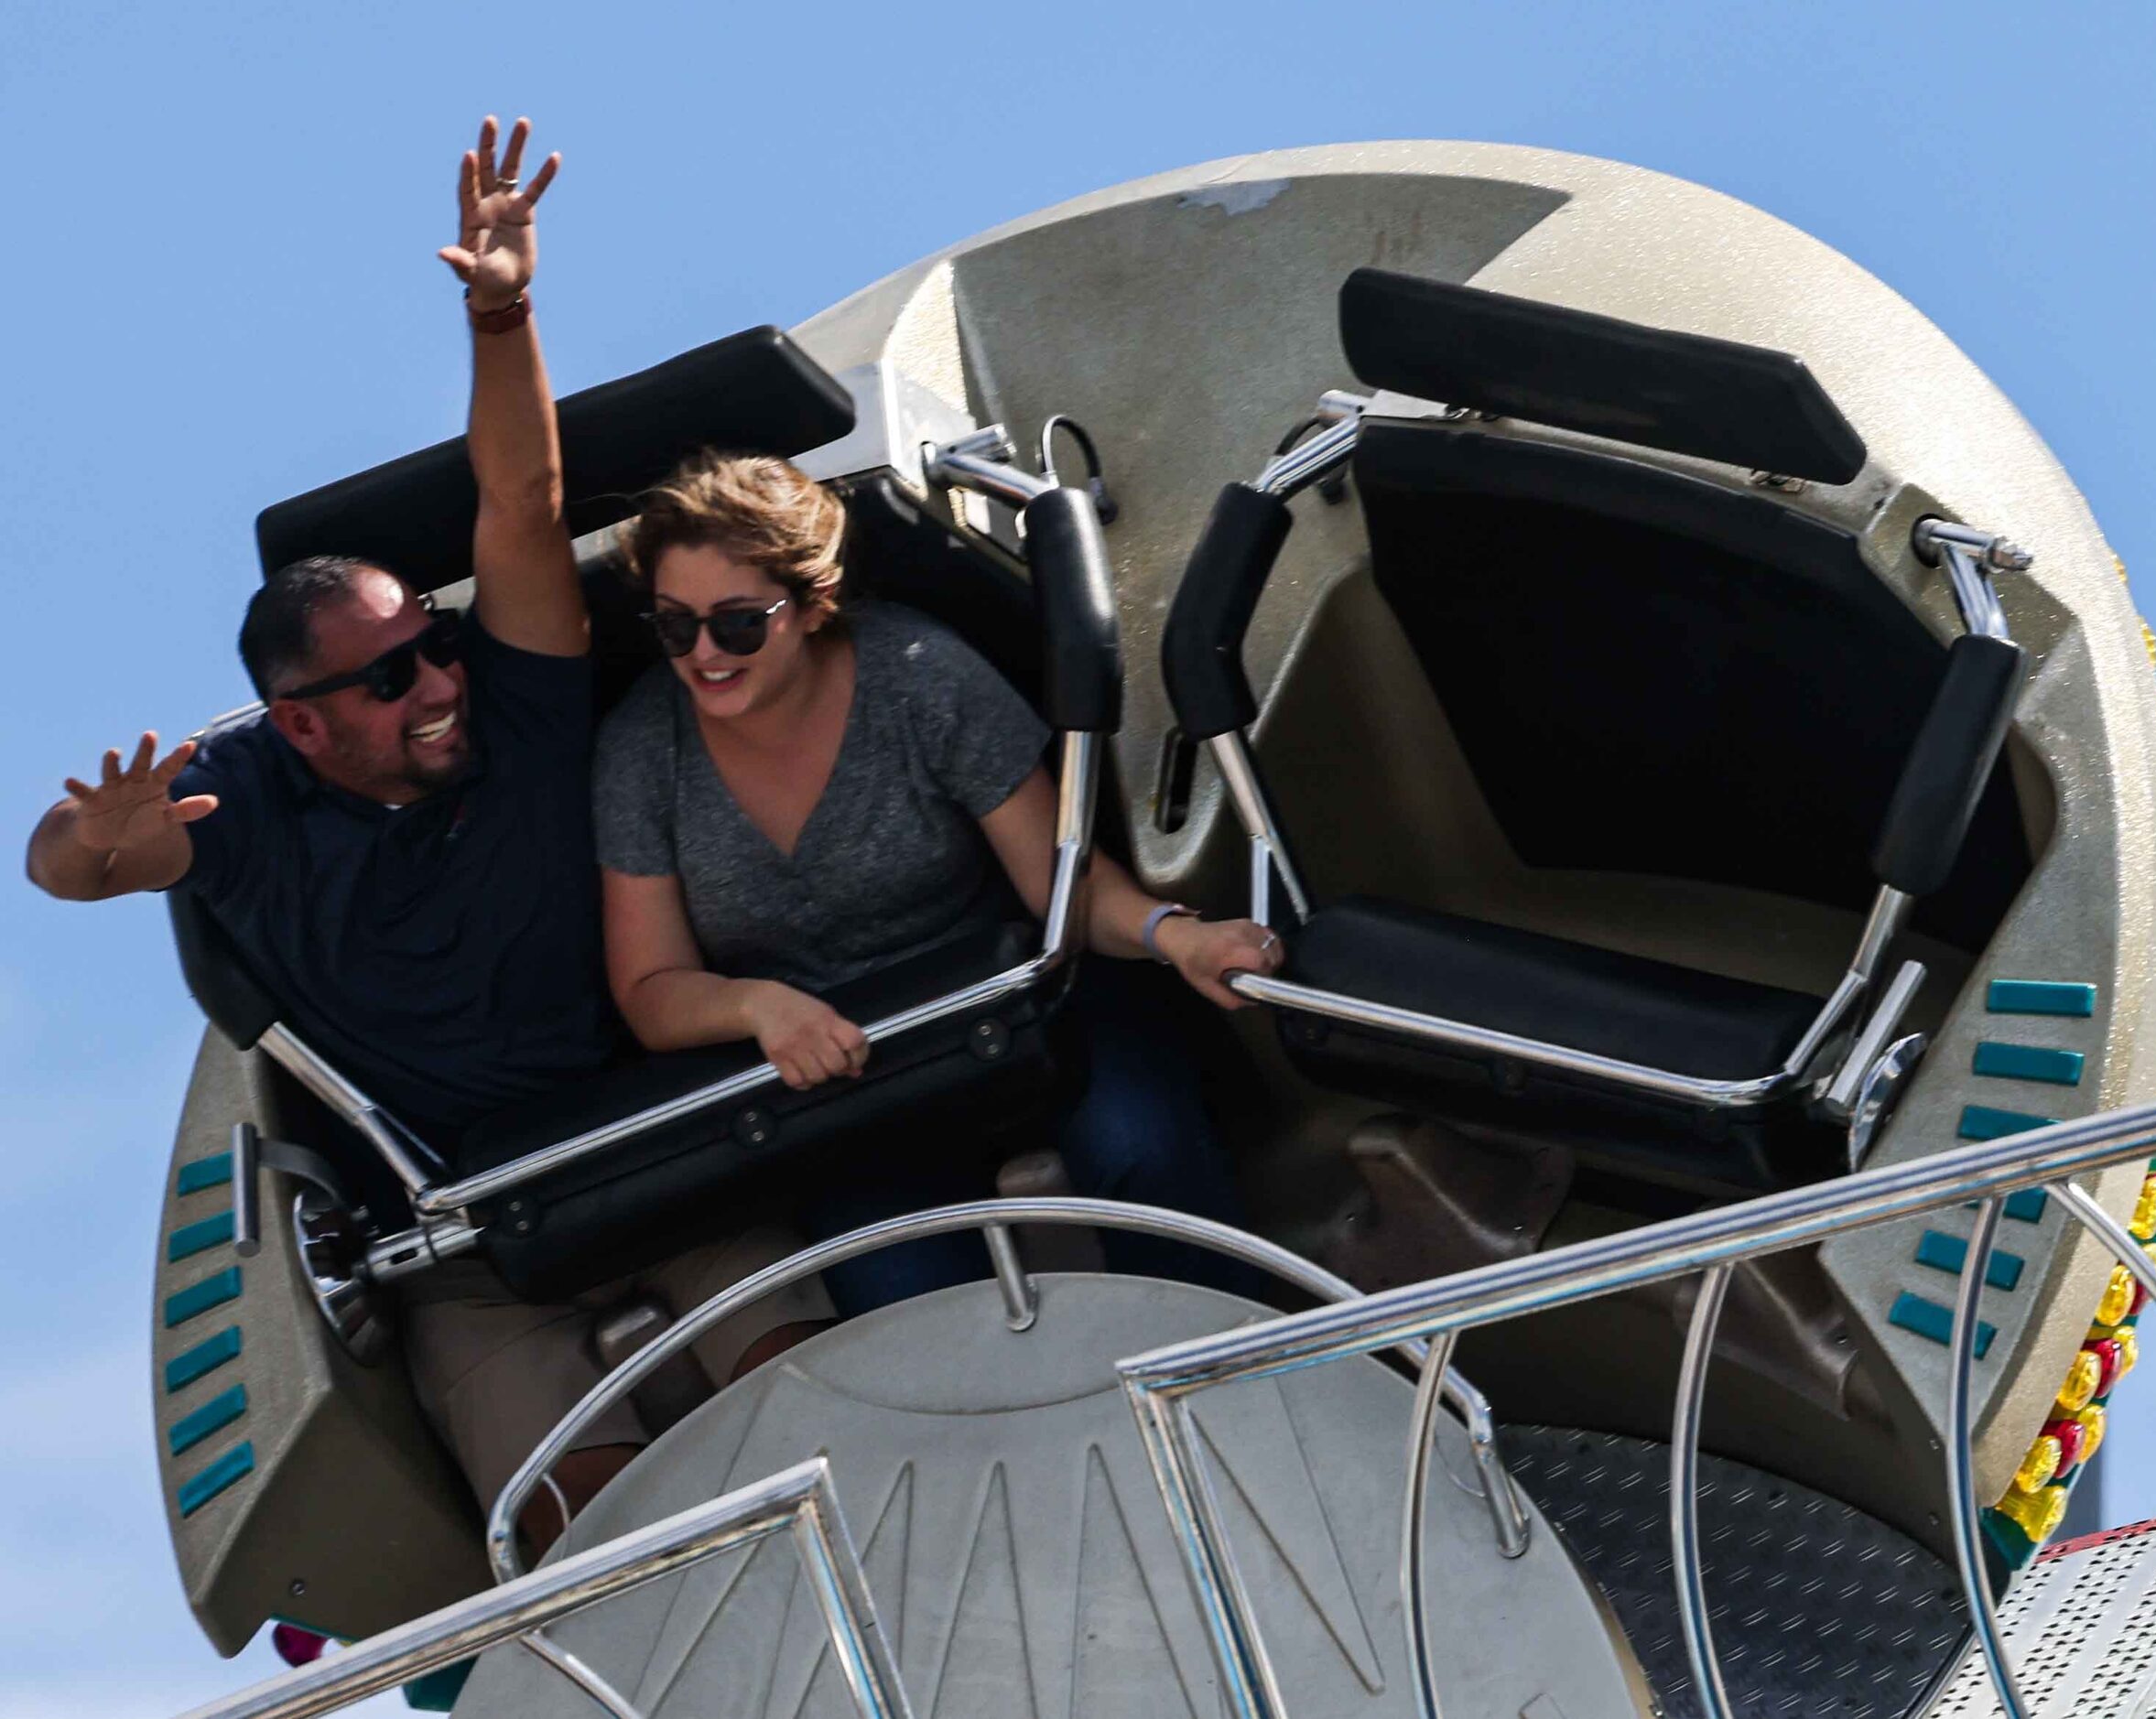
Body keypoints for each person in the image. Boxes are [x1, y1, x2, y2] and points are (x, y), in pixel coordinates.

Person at [23, 120, 831, 1552]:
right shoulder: (245, 801)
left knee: (813, 1400)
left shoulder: (510, 707)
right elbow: (81, 870)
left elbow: (520, 502)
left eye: (436, 643)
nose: (441, 681)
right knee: (586, 1531)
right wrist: (91, 842)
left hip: (665, 1142)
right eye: (392, 676)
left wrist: (500, 307)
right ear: (303, 722)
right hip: (478, 1238)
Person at [592, 452, 1284, 1312]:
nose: (703, 653)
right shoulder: (640, 753)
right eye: (673, 627)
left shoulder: (917, 674)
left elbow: (1064, 885)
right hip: (845, 1080)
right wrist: (759, 1007)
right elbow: (652, 989)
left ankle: (1253, 1376)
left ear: (810, 607)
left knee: (1141, 1150)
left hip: (1020, 1009)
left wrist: (1176, 935)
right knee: (894, 1286)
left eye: (736, 625)